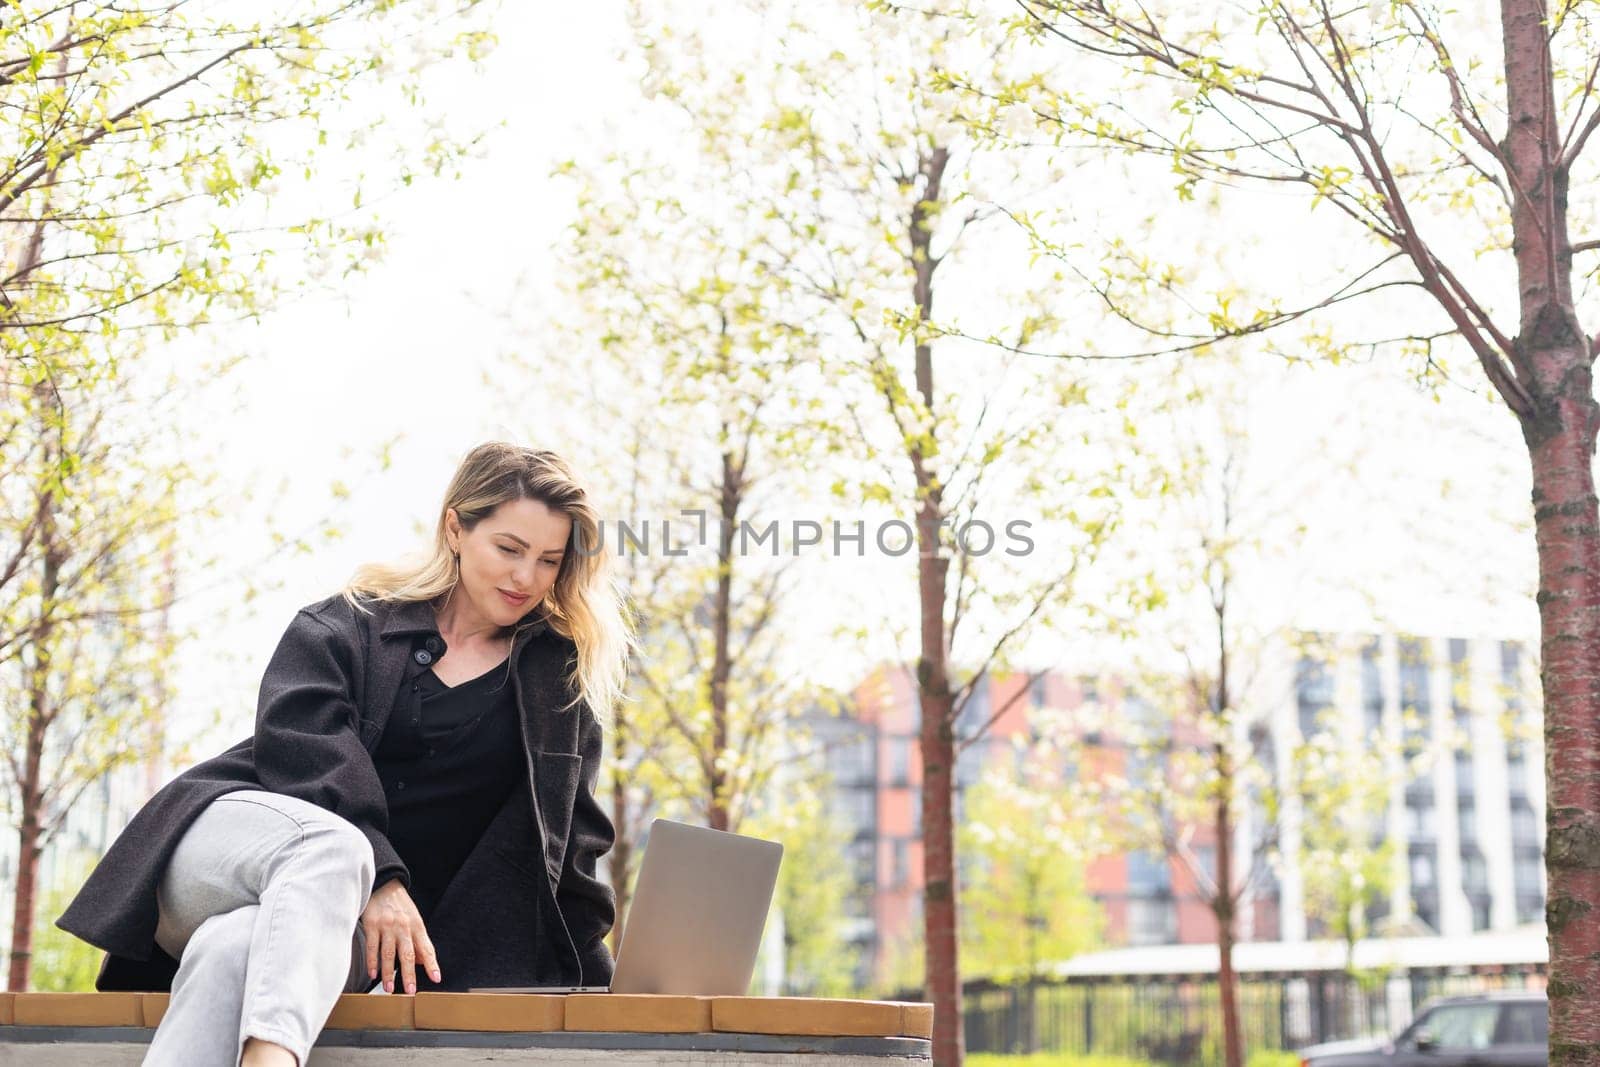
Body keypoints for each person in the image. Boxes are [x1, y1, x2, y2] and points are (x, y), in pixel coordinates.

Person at [56, 443, 632, 1067]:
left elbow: (567, 856)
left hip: (337, 928)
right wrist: (381, 878)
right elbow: (304, 758)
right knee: (336, 849)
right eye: (509, 549)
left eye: (549, 561)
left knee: (235, 949)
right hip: (224, 858)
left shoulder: (559, 684)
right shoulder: (346, 627)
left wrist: (604, 999)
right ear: (455, 528)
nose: (526, 577)